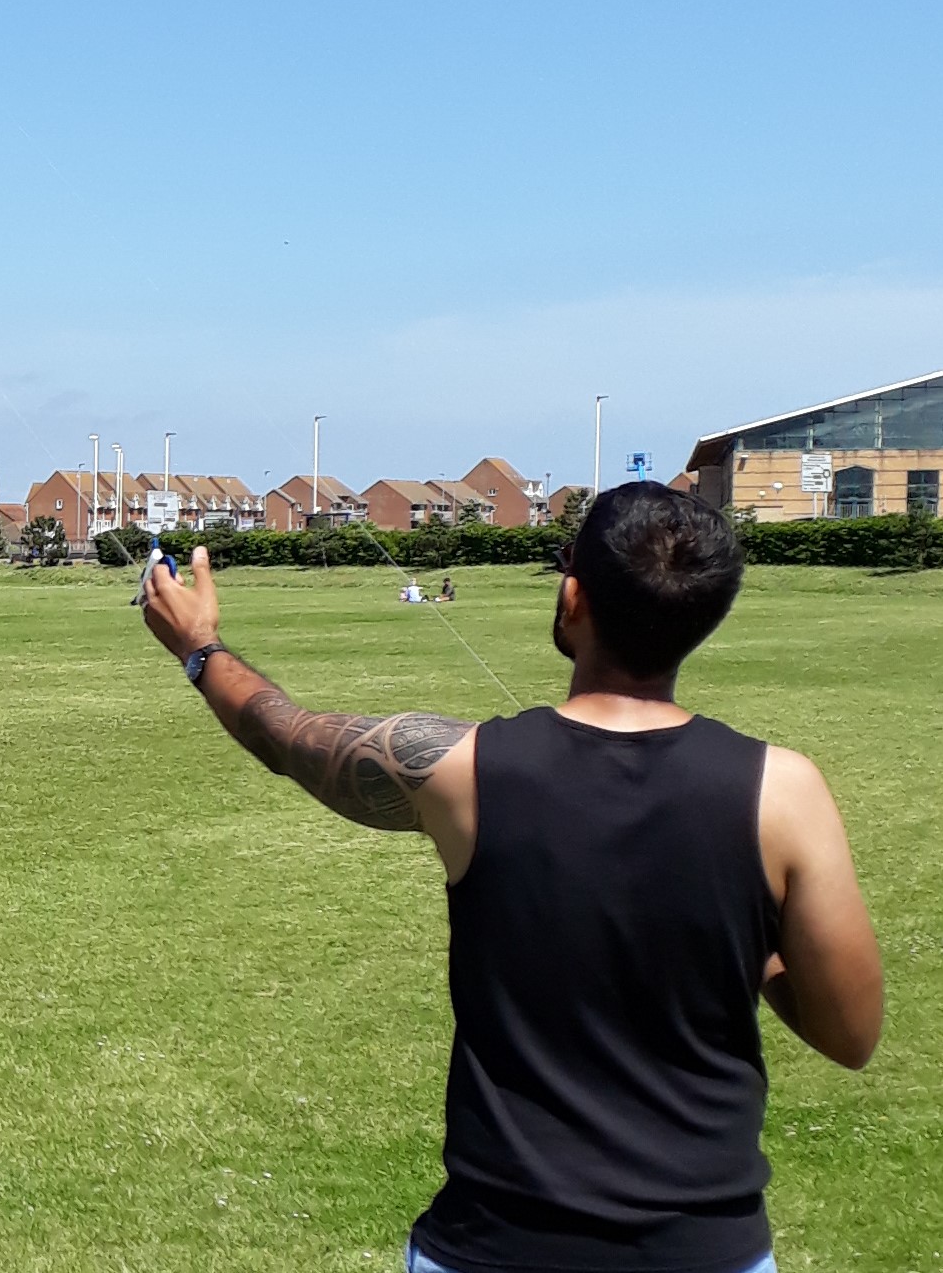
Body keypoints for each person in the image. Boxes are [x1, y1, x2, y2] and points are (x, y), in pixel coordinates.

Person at [142, 481, 881, 1273]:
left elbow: (284, 734)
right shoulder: (785, 791)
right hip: (707, 1249)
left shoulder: (462, 772)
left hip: (493, 1247)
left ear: (572, 597)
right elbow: (849, 1032)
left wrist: (200, 647)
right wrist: (743, 931)